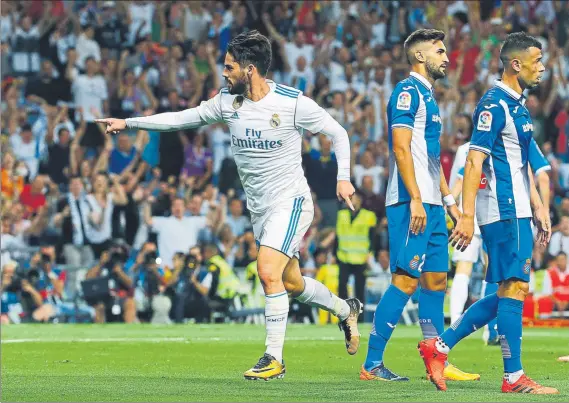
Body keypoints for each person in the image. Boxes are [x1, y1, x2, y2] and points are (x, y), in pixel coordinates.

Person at [96, 30, 362, 381]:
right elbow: (181, 118)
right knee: (292, 284)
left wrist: (343, 177)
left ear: (250, 69)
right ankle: (346, 309)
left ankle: (274, 359)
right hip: (260, 210)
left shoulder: (292, 102)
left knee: (267, 271)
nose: (224, 73)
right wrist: (129, 123)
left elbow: (338, 133)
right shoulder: (227, 102)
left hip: (292, 202)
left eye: (229, 67)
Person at [419, 32, 558, 394]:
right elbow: (475, 159)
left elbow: (522, 161)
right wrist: (465, 215)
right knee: (514, 288)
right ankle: (513, 376)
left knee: (511, 289)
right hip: (503, 209)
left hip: (520, 209)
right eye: (537, 61)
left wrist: (540, 205)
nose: (542, 67)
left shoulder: (519, 105)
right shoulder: (494, 104)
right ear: (516, 64)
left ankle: (439, 347)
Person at [361, 29, 478, 383]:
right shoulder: (406, 92)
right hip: (409, 201)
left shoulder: (429, 97)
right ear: (420, 57)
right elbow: (400, 149)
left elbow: (428, 159)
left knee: (436, 279)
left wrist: (448, 202)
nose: (446, 58)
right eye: (440, 52)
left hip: (432, 203)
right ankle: (372, 364)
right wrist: (415, 198)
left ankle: (435, 357)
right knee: (407, 279)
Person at [449, 137, 551, 343]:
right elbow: (541, 176)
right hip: (502, 213)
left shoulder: (478, 142)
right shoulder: (518, 133)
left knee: (472, 271)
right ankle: (488, 332)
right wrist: (543, 208)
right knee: (508, 280)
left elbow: (464, 175)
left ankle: (453, 329)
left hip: (477, 212)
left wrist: (452, 205)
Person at [335, 192, 376, 308]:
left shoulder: (369, 216)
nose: (351, 201)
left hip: (361, 257)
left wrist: (371, 254)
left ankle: (359, 316)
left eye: (354, 198)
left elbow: (373, 238)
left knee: (359, 288)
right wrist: (334, 254)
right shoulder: (341, 214)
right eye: (350, 198)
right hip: (344, 255)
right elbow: (338, 236)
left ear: (360, 201)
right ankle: (343, 312)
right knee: (342, 285)